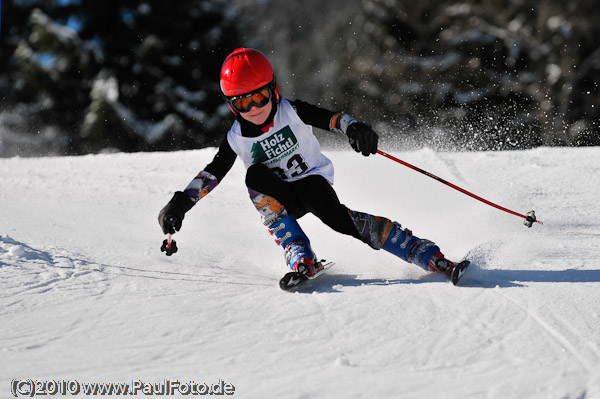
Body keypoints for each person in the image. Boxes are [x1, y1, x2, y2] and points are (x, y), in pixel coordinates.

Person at [158, 47, 458, 280]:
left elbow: (333, 119)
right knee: (255, 176)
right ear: (231, 106)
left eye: (260, 97)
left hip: (312, 183)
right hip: (281, 200)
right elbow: (213, 172)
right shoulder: (236, 137)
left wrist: (355, 129)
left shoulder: (291, 111)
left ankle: (416, 249)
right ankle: (297, 249)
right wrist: (181, 203)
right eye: (243, 103)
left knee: (336, 219)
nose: (254, 109)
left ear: (273, 90)